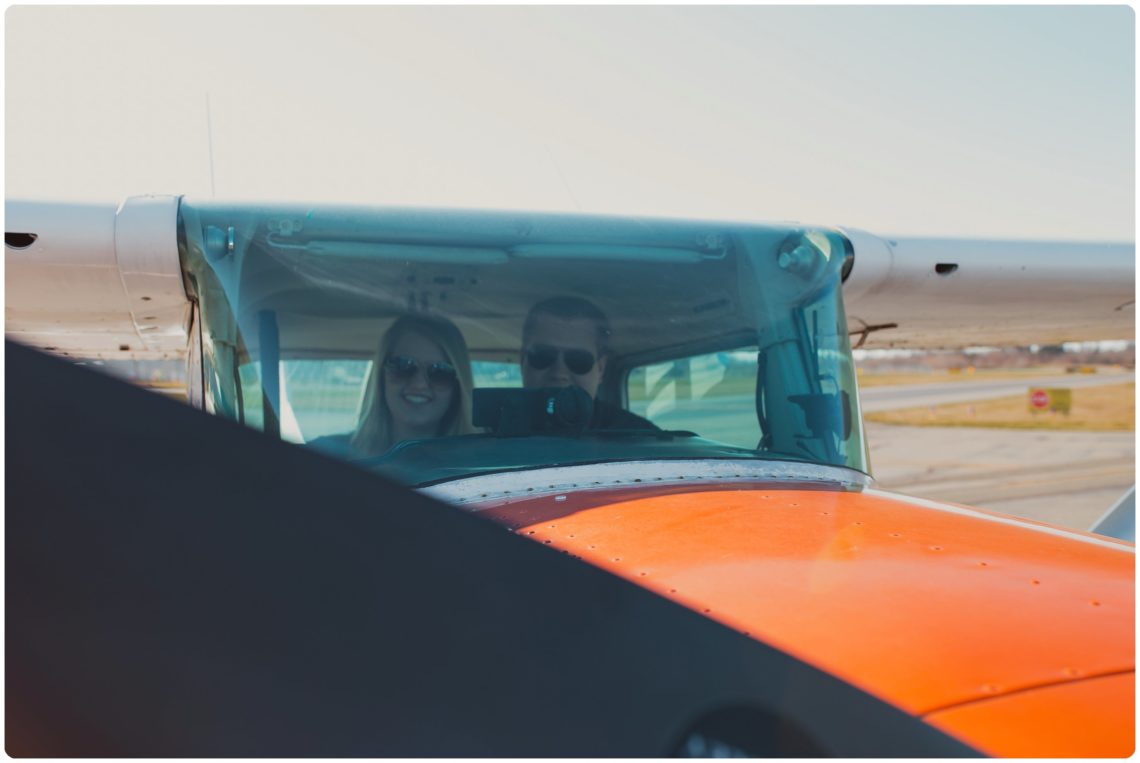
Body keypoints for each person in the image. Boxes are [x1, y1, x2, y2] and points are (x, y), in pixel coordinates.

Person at [349, 314, 477, 456]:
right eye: (402, 366)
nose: (419, 384)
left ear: (458, 387)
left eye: (440, 372)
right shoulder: (331, 457)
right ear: (381, 375)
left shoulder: (484, 468)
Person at [520, 296, 656, 430]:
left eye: (578, 360)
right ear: (522, 361)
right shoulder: (498, 426)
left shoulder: (638, 436)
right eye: (543, 356)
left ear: (601, 369)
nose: (559, 373)